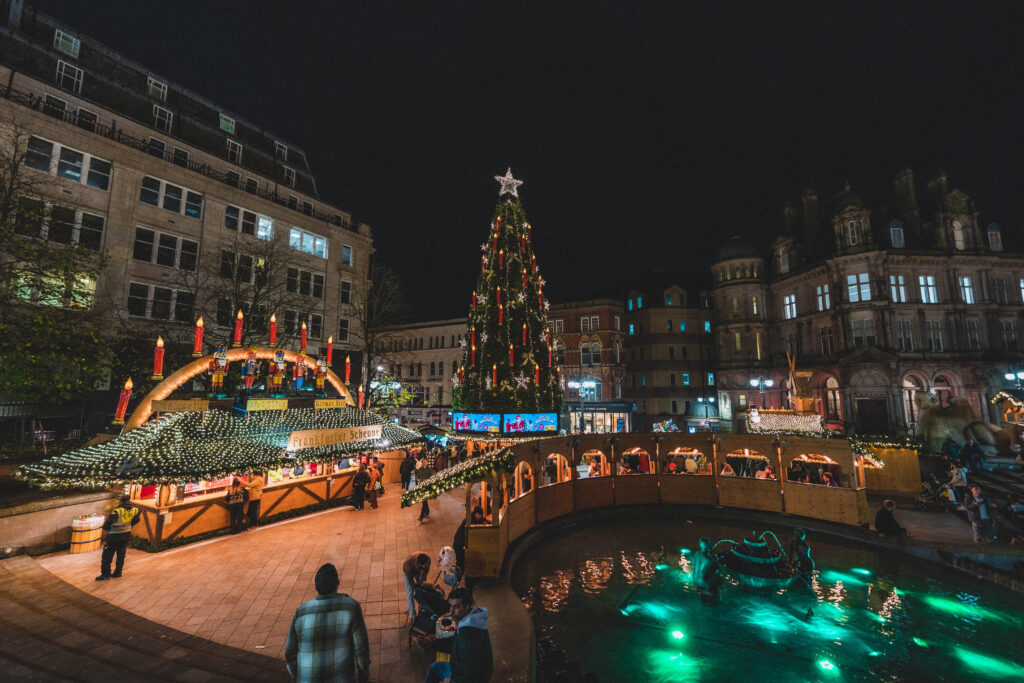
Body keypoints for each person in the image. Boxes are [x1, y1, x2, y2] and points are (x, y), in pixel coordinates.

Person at [285, 563, 369, 683]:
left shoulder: (301, 613)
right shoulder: (351, 607)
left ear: (316, 587)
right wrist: (363, 676)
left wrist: (298, 677)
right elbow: (362, 651)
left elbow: (290, 655)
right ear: (337, 583)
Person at [420, 587, 494, 683]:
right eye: (451, 606)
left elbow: (470, 676)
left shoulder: (469, 637)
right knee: (435, 667)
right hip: (462, 669)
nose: (451, 611)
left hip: (474, 677)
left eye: (456, 607)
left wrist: (451, 681)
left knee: (435, 670)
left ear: (467, 606)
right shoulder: (471, 619)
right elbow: (455, 644)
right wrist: (432, 644)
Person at [95, 493, 140, 581]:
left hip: (114, 536)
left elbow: (108, 523)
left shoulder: (118, 511)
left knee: (107, 556)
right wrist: (129, 526)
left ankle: (106, 574)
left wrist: (106, 528)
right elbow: (136, 520)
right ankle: (118, 572)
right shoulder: (135, 510)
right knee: (121, 555)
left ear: (121, 501)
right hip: (126, 535)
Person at [691, 538, 721, 605]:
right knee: (719, 576)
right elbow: (717, 567)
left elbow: (693, 565)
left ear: (700, 545)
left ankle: (703, 595)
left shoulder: (696, 554)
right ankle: (711, 595)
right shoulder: (709, 559)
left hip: (696, 581)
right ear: (708, 546)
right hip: (704, 583)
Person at [403, 551, 432, 619]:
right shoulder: (408, 566)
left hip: (417, 570)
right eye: (423, 566)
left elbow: (424, 574)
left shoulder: (428, 560)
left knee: (422, 588)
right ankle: (412, 615)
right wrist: (416, 589)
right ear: (419, 564)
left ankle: (422, 607)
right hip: (407, 572)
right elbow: (411, 582)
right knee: (410, 592)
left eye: (425, 565)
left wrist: (421, 584)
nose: (425, 567)